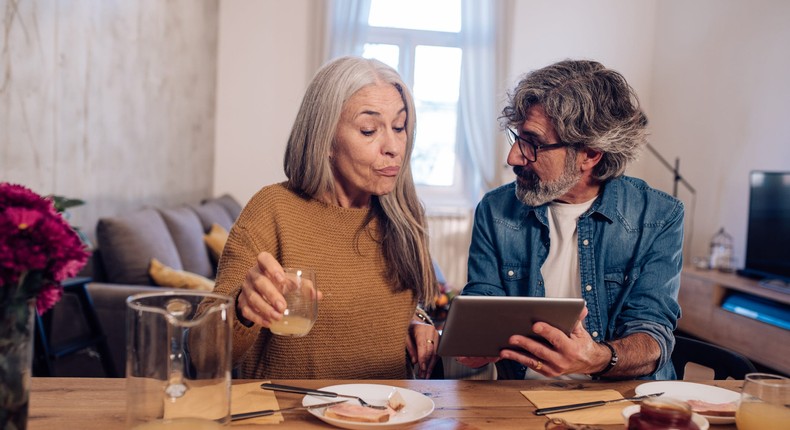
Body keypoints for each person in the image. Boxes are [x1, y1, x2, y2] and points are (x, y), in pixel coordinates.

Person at [213, 56, 440, 379]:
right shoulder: (272, 209)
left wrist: (417, 320)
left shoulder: (402, 214)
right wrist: (241, 310)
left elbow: (373, 307)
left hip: (387, 416)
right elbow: (202, 352)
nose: (394, 147)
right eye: (369, 129)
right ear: (326, 139)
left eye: (400, 126)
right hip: (291, 418)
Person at [457, 59, 684, 380]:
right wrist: (474, 341)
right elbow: (482, 302)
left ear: (590, 155)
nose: (513, 157)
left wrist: (598, 358)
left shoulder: (658, 216)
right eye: (517, 137)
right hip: (521, 398)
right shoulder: (495, 209)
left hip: (622, 400)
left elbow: (653, 335)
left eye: (533, 144)